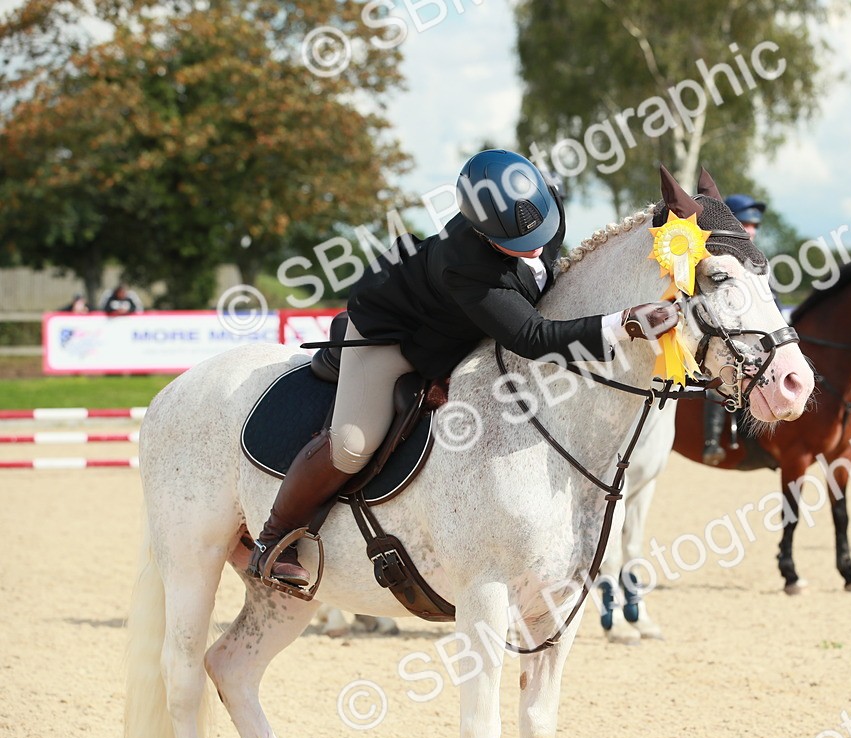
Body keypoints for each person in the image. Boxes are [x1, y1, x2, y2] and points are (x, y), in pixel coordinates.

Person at [251, 149, 681, 588]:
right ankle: (272, 540)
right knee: (351, 444)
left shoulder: (543, 206)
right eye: (512, 245)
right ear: (480, 231)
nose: (533, 247)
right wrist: (622, 325)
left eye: (540, 233)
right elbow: (531, 337)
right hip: (398, 334)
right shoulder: (463, 263)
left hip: (473, 325)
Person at [701, 192, 768, 466]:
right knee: (723, 378)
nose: (751, 230)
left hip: (757, 335)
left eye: (755, 226)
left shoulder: (757, 259)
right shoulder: (717, 259)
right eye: (746, 225)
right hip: (726, 336)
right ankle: (711, 441)